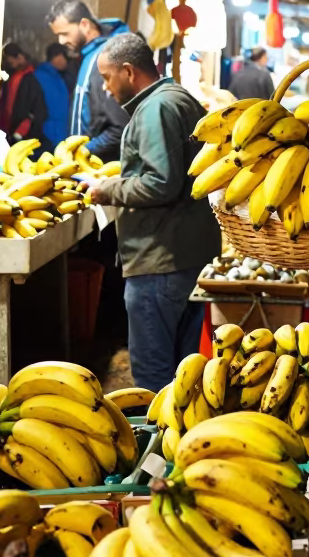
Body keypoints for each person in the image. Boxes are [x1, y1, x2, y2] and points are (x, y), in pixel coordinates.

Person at [86, 34, 221, 391]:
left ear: (128, 72)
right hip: (187, 253)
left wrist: (107, 189)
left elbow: (161, 183)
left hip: (160, 258)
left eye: (106, 77)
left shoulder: (155, 110)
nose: (104, 88)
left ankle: (157, 445)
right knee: (185, 373)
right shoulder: (175, 97)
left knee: (153, 377)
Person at [45, 0, 130, 162]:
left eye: (64, 34)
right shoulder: (88, 56)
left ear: (84, 24)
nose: (61, 41)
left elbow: (120, 128)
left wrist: (81, 151)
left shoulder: (106, 59)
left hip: (102, 169)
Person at [0, 43, 52, 153]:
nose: (11, 65)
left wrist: (20, 132)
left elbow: (38, 109)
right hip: (13, 130)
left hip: (26, 133)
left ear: (20, 57)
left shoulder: (34, 77)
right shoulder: (13, 76)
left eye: (11, 62)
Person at [35, 43, 71, 150]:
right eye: (66, 58)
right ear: (58, 56)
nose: (67, 62)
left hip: (56, 134)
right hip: (50, 136)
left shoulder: (57, 76)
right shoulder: (42, 77)